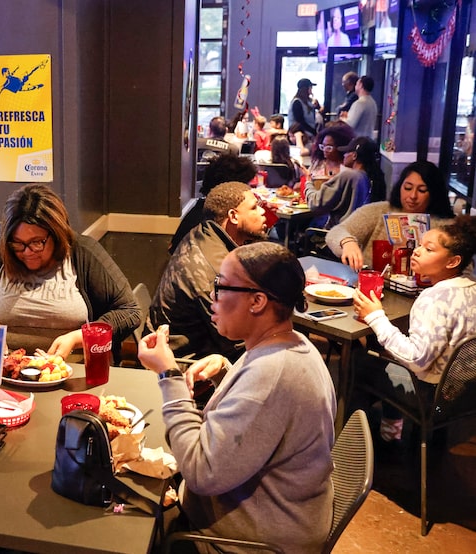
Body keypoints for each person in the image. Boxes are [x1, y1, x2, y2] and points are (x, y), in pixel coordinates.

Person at [138, 242, 336, 551]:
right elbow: (262, 412)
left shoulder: (273, 374)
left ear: (257, 301)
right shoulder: (289, 342)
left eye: (220, 285)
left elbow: (200, 472)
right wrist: (225, 372)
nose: (212, 296)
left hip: (250, 540)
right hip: (279, 513)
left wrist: (169, 375)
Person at [0, 183, 140, 359]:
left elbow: (129, 312)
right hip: (1, 371)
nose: (27, 252)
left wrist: (79, 337)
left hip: (70, 370)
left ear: (57, 234)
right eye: (18, 243)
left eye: (37, 242)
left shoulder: (82, 253)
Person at [353, 216, 476, 442]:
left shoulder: (435, 298)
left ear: (452, 261)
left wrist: (375, 316)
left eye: (428, 249)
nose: (416, 252)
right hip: (462, 395)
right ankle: (408, 434)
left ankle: (365, 443)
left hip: (430, 397)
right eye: (419, 245)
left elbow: (417, 359)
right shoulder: (471, 288)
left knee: (359, 364)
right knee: (381, 350)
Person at [149, 182, 267, 361]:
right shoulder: (217, 271)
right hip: (184, 364)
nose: (262, 212)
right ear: (233, 216)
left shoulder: (204, 232)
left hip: (203, 345)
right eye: (254, 207)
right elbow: (235, 341)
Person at [326, 160, 456, 271]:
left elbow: (462, 270)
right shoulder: (380, 211)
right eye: (408, 188)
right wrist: (347, 242)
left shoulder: (447, 226)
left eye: (422, 190)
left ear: (434, 193)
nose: (413, 196)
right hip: (373, 285)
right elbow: (336, 232)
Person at [169, 152, 257, 254]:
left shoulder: (204, 209)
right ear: (229, 190)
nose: (249, 190)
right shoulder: (208, 223)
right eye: (245, 186)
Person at [304, 136, 382, 229]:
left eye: (346, 152)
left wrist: (308, 182)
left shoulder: (349, 175)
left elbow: (316, 203)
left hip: (335, 234)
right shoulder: (367, 176)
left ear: (354, 156)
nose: (344, 155)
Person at [287, 78, 321, 156]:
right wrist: (314, 132)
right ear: (306, 88)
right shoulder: (297, 102)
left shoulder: (308, 102)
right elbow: (300, 121)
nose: (311, 90)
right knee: (302, 154)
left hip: (308, 135)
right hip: (299, 135)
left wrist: (317, 106)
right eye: (310, 87)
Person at [343, 75, 378, 139]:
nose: (355, 86)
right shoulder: (373, 102)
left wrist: (343, 118)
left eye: (356, 84)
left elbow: (350, 125)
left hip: (357, 140)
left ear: (361, 85)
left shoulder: (359, 103)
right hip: (368, 140)